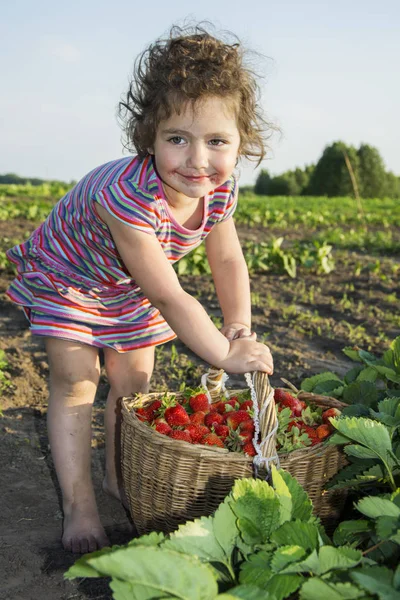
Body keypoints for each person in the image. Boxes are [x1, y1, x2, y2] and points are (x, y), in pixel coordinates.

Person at [6, 24, 274, 554]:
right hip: (74, 279)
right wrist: (223, 353)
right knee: (77, 379)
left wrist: (237, 324)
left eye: (217, 141)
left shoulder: (218, 189)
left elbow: (226, 258)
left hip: (129, 288)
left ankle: (116, 476)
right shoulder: (126, 198)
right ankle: (79, 506)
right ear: (148, 137)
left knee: (133, 383)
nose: (198, 159)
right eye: (177, 139)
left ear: (241, 144)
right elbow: (170, 294)